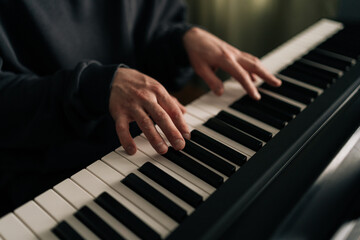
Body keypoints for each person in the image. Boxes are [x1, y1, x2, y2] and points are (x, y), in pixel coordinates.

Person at [0, 0, 281, 215]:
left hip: (144, 144)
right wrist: (96, 86)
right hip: (42, 174)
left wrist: (183, 40)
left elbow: (151, 33)